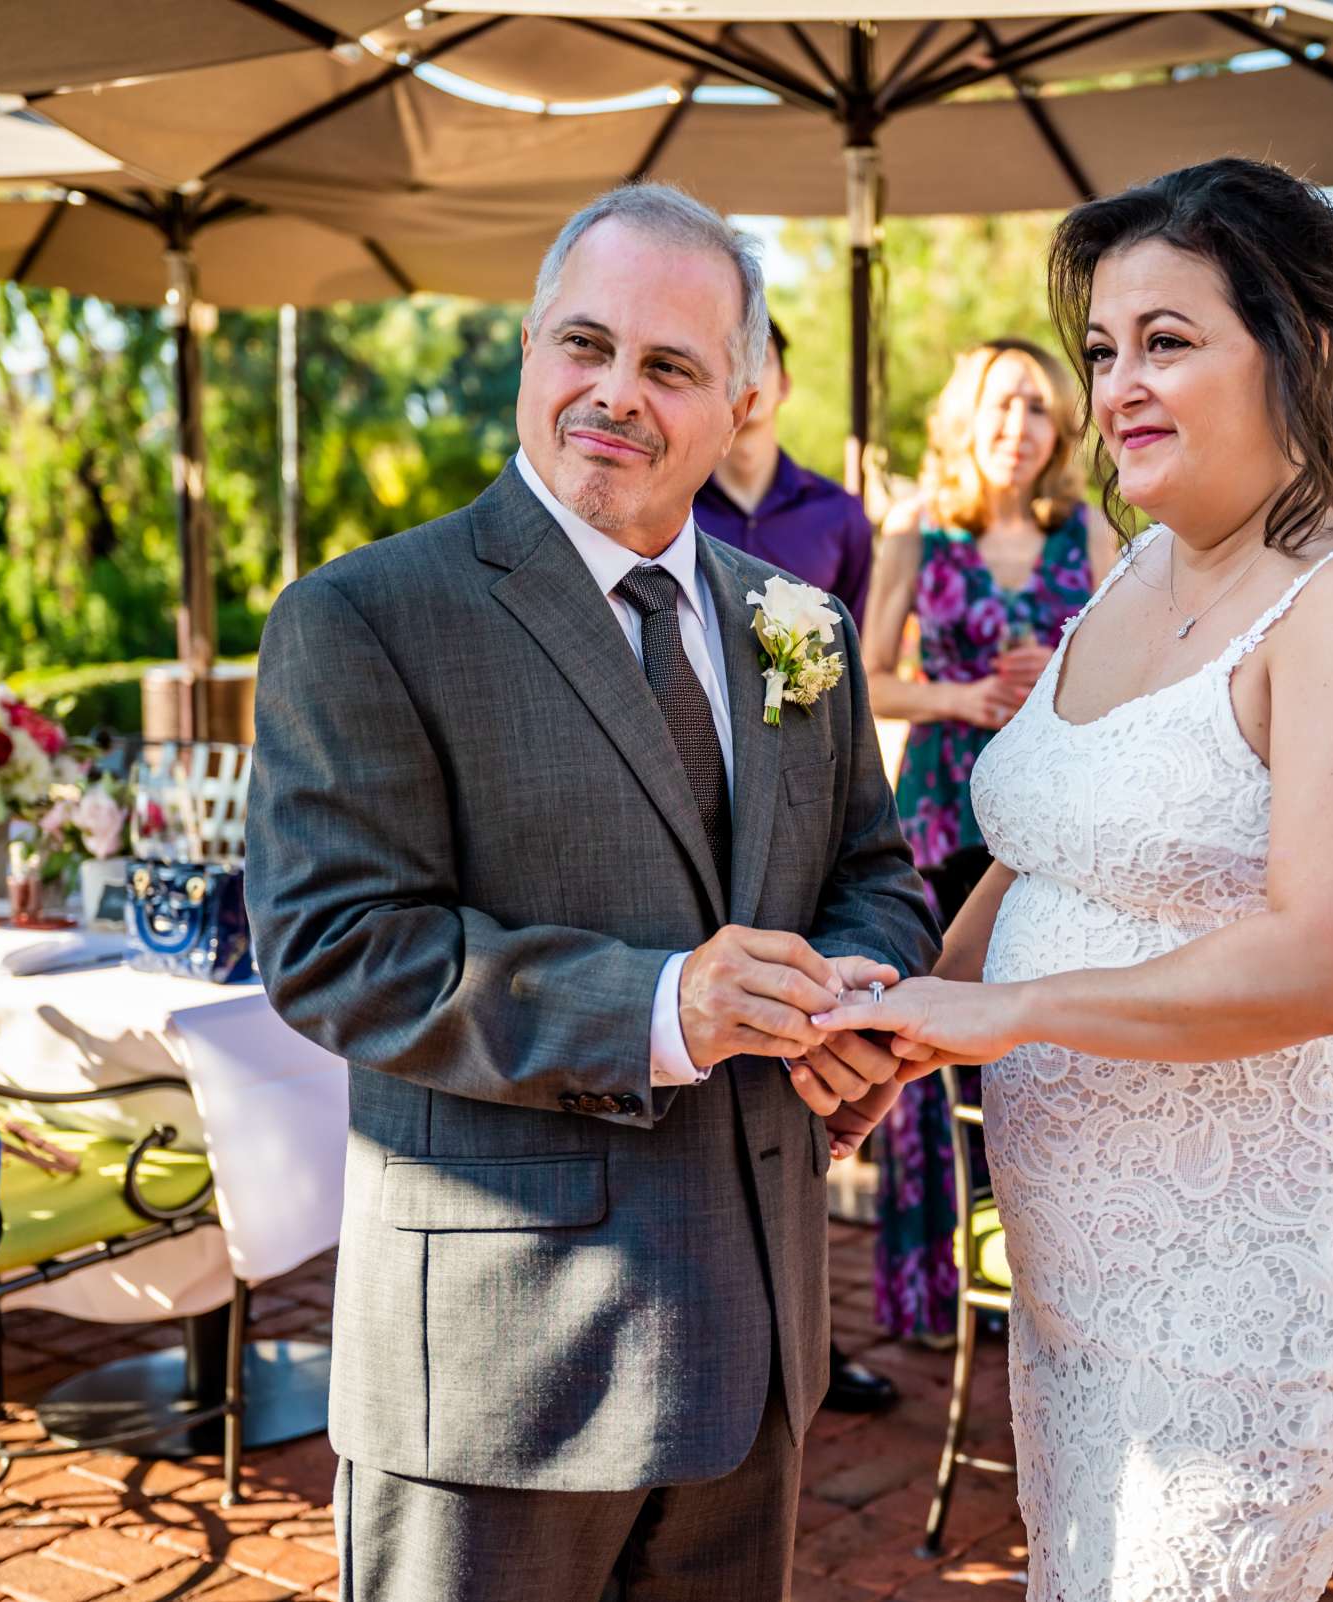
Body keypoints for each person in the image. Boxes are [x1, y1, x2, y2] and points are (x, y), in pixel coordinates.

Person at [811, 157, 1333, 1600]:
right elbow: (1038, 840)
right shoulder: (1137, 577)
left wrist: (1016, 1016)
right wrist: (919, 1014)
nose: (1116, 385)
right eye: (1104, 349)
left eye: (1168, 341)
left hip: (1259, 1296)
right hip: (1085, 1279)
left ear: (1302, 352)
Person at [245, 183, 937, 1602]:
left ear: (742, 399)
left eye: (670, 366)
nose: (614, 393)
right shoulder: (368, 617)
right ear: (528, 352)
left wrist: (861, 998)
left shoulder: (795, 625)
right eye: (585, 344)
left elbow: (872, 864)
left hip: (756, 1344)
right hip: (503, 1373)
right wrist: (661, 1005)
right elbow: (332, 947)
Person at [858, 338, 1116, 1343]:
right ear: (965, 419)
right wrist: (962, 695)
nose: (1020, 428)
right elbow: (866, 677)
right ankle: (938, 1289)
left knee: (1036, 1034)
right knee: (934, 1036)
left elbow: (1129, 677)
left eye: (1039, 411)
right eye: (1002, 407)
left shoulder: (1086, 531)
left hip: (1054, 817)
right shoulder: (916, 531)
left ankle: (1049, 1275)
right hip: (941, 815)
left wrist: (1059, 673)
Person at [696, 315, 897, 1414]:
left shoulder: (830, 520)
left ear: (776, 376)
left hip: (792, 826)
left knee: (798, 1095)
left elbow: (829, 694)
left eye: (762, 360)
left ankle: (801, 1337)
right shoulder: (675, 503)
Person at [695, 318, 876, 626]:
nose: (748, 373)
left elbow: (851, 651)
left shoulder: (840, 514)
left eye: (761, 358)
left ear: (785, 385)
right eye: (734, 358)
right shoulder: (673, 506)